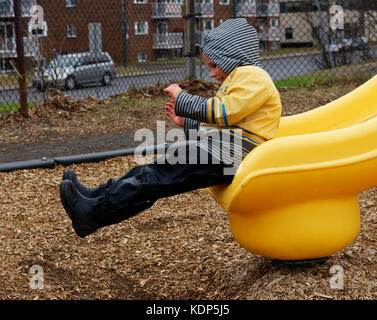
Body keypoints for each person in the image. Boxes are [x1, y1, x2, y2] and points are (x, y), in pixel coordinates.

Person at [59, 18, 282, 238]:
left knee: (155, 176)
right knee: (151, 174)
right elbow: (229, 122)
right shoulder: (241, 79)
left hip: (235, 157)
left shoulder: (253, 76)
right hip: (224, 153)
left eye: (214, 65)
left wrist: (183, 98)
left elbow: (225, 112)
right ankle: (97, 197)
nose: (212, 74)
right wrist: (189, 123)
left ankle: (93, 212)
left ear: (232, 55)